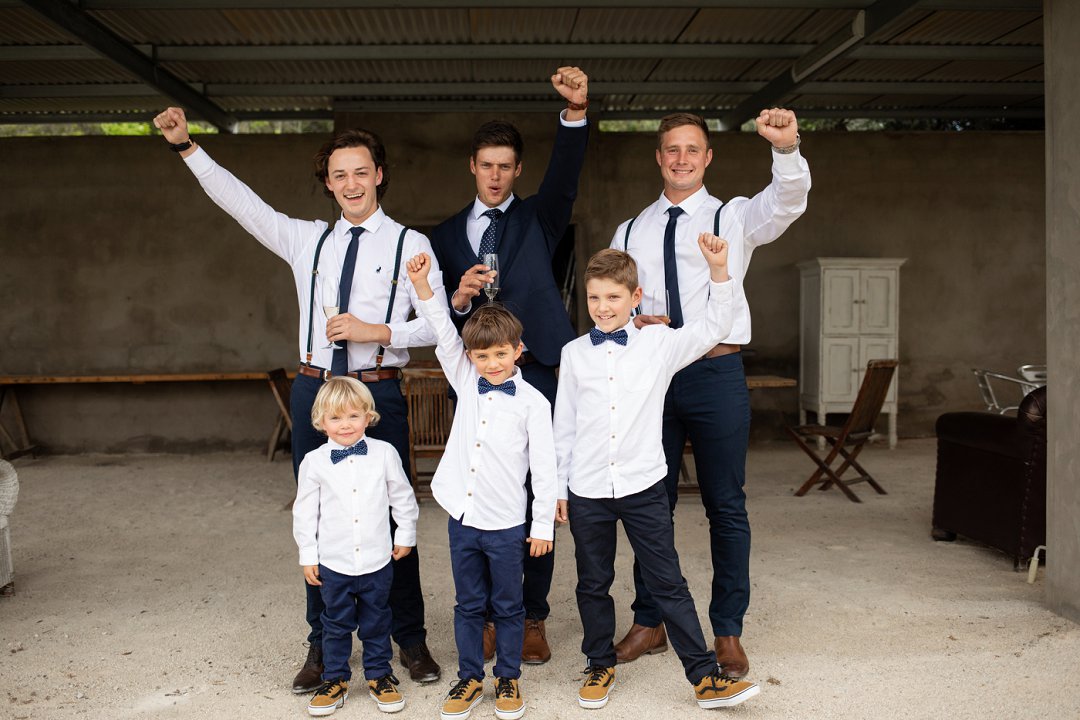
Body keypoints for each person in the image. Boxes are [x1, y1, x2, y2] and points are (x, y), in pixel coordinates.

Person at [152, 108, 445, 691]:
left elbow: (439, 326)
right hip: (316, 389)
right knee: (318, 512)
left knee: (394, 513)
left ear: (379, 175)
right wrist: (186, 146)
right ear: (329, 182)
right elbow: (240, 201)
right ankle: (322, 640)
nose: (351, 184)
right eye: (340, 175)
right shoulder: (305, 239)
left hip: (379, 391)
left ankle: (409, 637)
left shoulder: (413, 244)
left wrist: (377, 331)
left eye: (361, 172)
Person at [610, 109, 811, 678]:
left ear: (707, 157)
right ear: (658, 156)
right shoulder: (629, 230)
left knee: (726, 504)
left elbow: (788, 201)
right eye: (671, 149)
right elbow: (611, 301)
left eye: (692, 149)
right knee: (652, 505)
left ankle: (727, 630)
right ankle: (650, 622)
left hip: (716, 373)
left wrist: (786, 147)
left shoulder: (735, 215)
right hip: (653, 378)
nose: (681, 159)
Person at [553, 245, 759, 710]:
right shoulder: (574, 354)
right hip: (587, 488)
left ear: (636, 297)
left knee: (668, 582)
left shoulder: (660, 345)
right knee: (592, 581)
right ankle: (598, 664)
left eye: (612, 297)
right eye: (594, 298)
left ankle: (704, 678)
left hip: (643, 485)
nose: (603, 308)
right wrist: (555, 489)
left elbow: (714, 326)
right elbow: (562, 427)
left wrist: (720, 271)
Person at [429, 66, 589, 665]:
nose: (495, 175)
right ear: (472, 166)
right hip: (477, 378)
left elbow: (567, 178)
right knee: (489, 496)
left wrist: (573, 115)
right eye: (485, 164)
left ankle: (532, 617)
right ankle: (494, 614)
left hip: (540, 370)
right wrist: (458, 296)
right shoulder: (444, 236)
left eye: (505, 165)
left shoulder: (539, 218)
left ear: (516, 170)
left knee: (534, 495)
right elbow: (438, 314)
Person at [406, 252, 558, 720]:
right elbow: (442, 329)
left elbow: (546, 467)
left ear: (518, 349)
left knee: (509, 605)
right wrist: (422, 286)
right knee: (469, 602)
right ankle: (470, 676)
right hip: (462, 516)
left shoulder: (533, 402)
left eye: (499, 353)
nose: (490, 363)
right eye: (481, 355)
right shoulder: (465, 377)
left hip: (508, 522)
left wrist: (542, 527)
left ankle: (507, 677)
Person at [293, 377, 419, 717]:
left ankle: (380, 675)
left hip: (377, 560)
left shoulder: (384, 454)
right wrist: (308, 555)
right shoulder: (314, 462)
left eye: (353, 416)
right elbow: (304, 513)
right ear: (320, 422)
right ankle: (335, 679)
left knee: (377, 620)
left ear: (368, 416)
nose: (345, 425)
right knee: (335, 623)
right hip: (335, 562)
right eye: (335, 418)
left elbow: (402, 498)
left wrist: (405, 534)